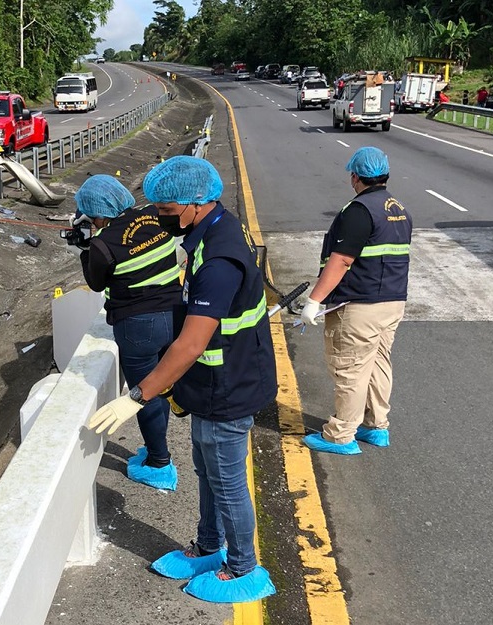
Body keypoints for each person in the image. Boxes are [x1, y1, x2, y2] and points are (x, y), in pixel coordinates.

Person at [88, 156, 277, 603]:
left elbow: (191, 344)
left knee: (227, 481)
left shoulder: (219, 258)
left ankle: (244, 569)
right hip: (212, 382)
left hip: (228, 384)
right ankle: (209, 547)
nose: (163, 219)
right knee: (208, 472)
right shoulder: (210, 231)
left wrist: (136, 396)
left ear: (196, 202)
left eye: (169, 211)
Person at [300, 147, 412, 456]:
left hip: (360, 306)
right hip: (392, 301)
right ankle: (376, 427)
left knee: (350, 369)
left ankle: (340, 435)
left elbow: (342, 259)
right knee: (377, 364)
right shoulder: (398, 208)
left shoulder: (360, 210)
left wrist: (314, 301)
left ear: (355, 177)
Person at [74, 174, 182, 491]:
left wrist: (85, 248)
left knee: (144, 395)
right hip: (174, 317)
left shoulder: (102, 244)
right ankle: (155, 448)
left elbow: (96, 283)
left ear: (95, 213)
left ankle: (159, 463)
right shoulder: (154, 215)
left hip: (138, 327)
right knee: (160, 384)